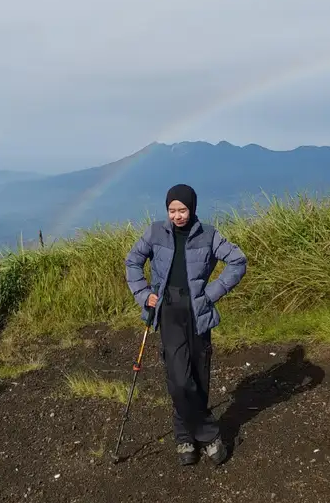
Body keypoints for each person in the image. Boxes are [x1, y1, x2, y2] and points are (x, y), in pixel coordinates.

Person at [125, 183, 247, 466]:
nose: (177, 216)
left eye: (182, 210)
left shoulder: (209, 234)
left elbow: (238, 261)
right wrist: (144, 295)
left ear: (193, 209)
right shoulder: (155, 232)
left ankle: (186, 438)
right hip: (167, 310)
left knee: (199, 377)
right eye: (172, 210)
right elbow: (132, 261)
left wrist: (212, 293)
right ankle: (206, 434)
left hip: (198, 313)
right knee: (179, 379)